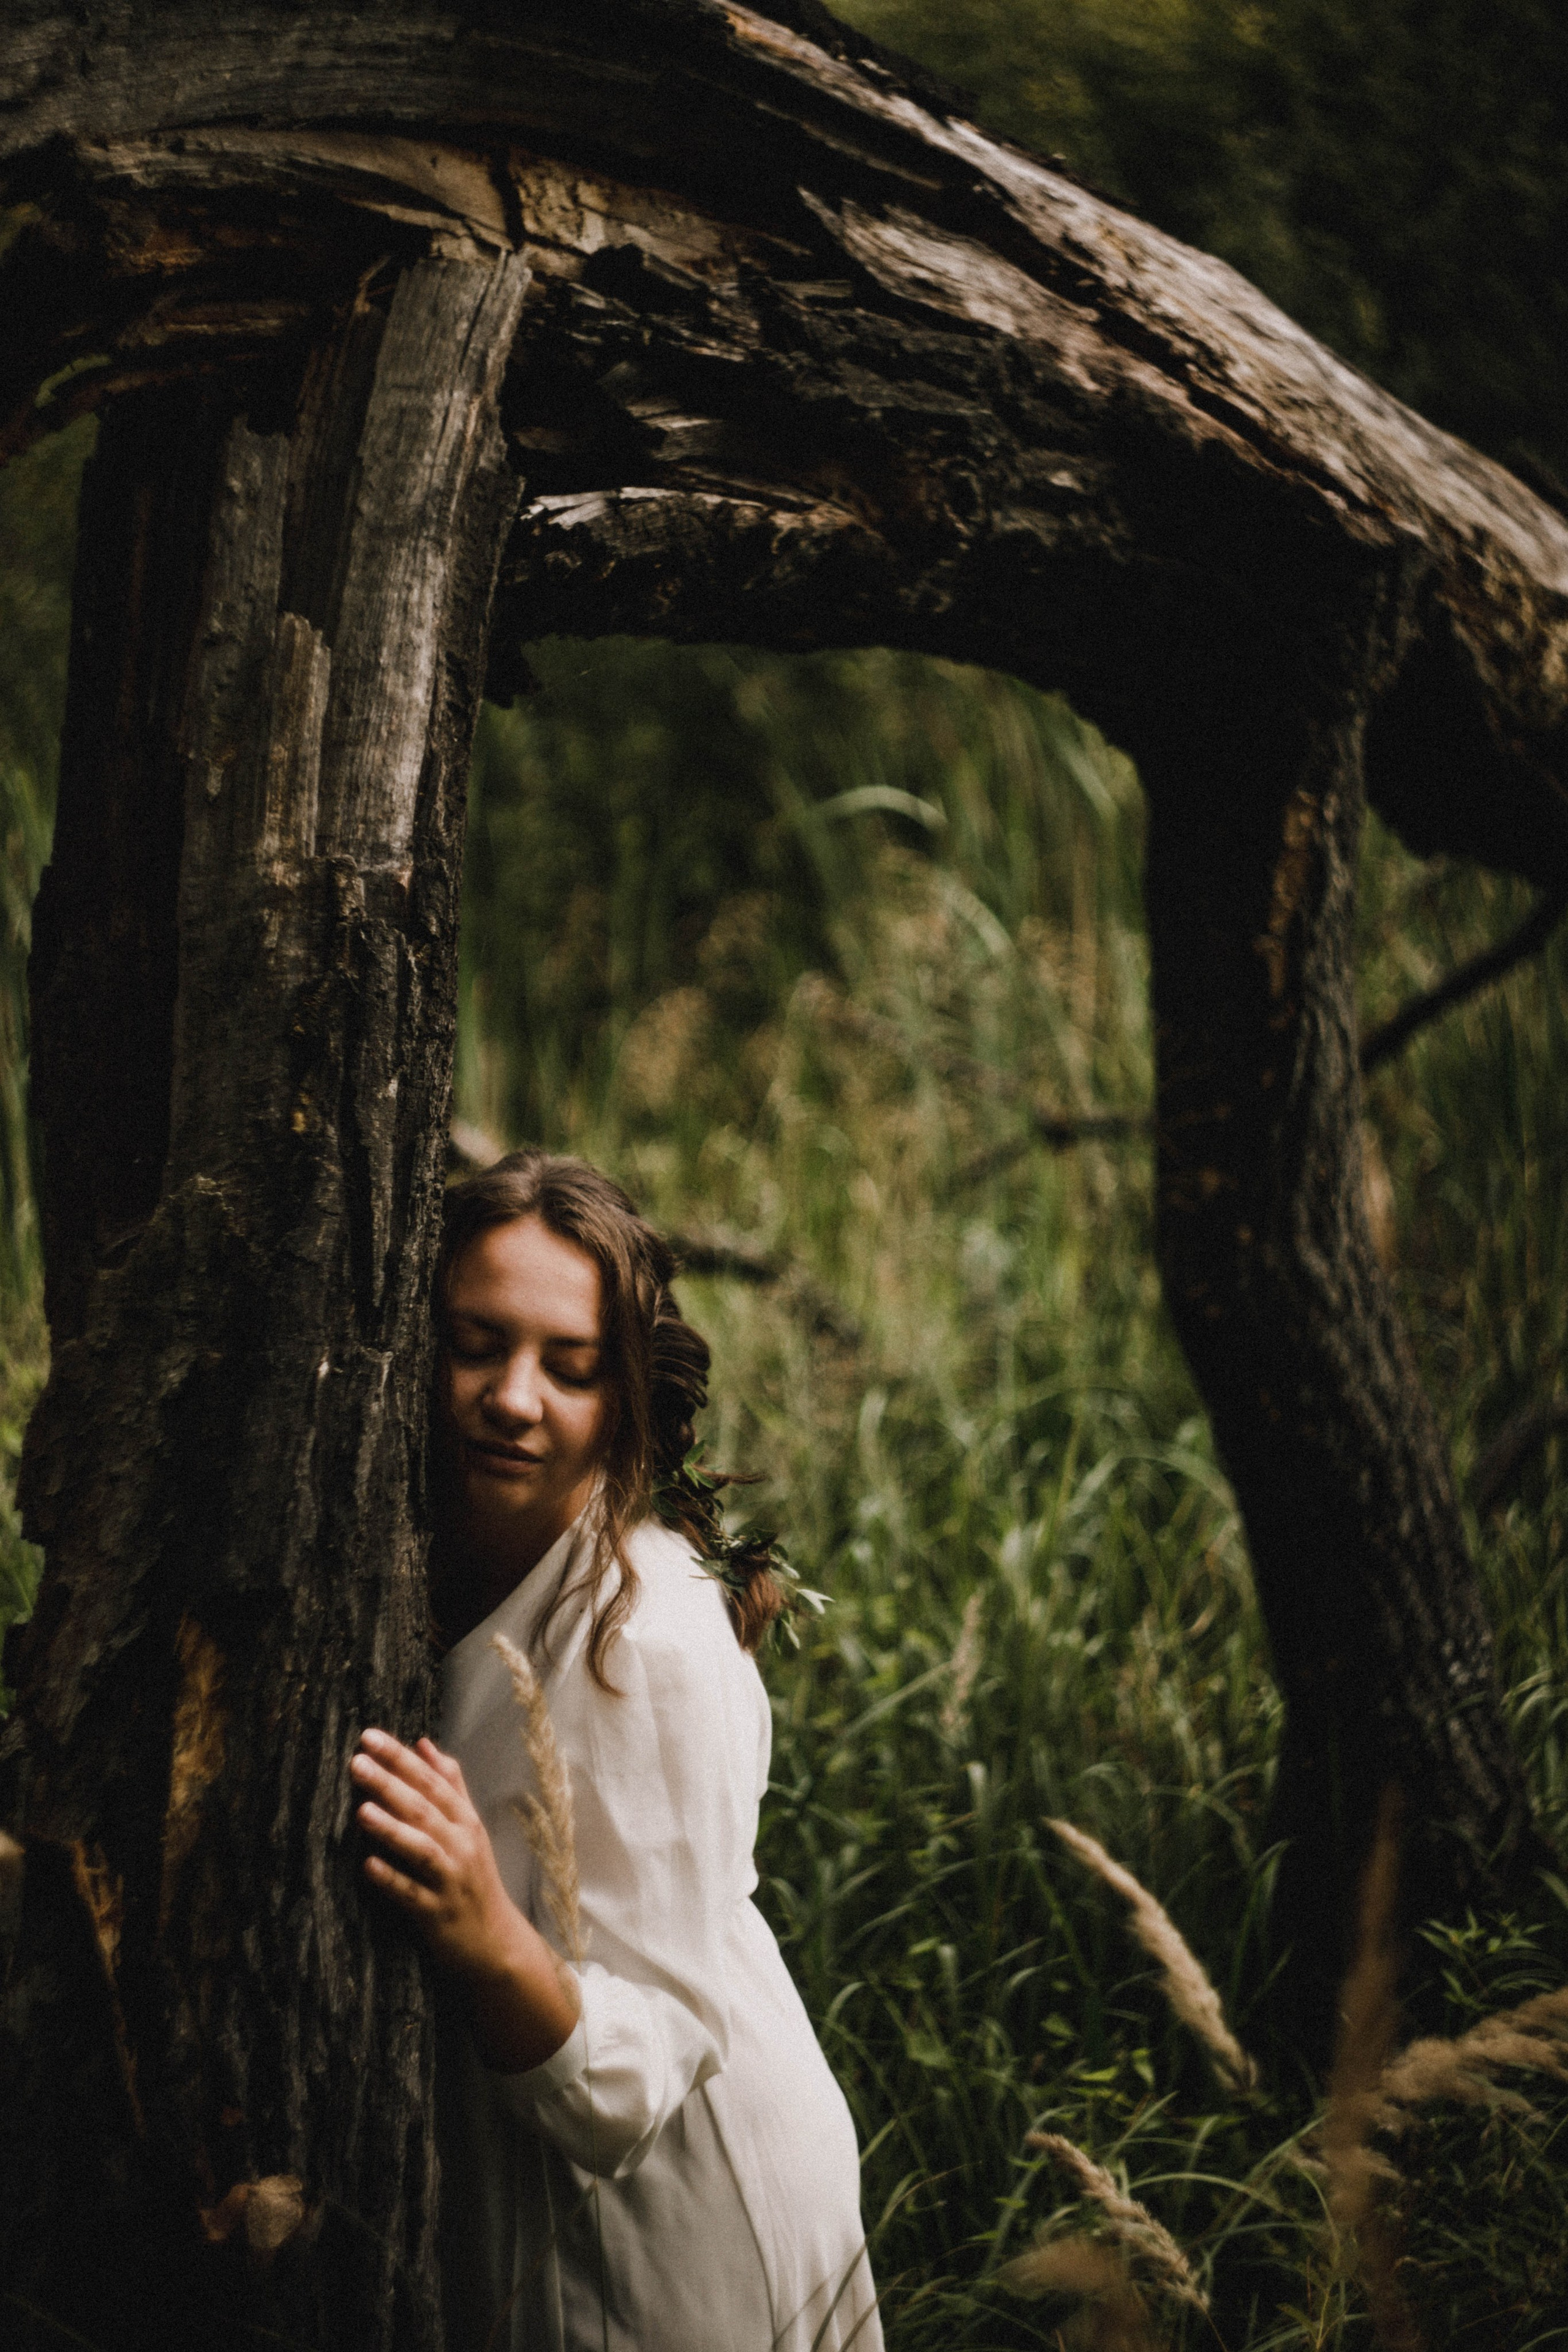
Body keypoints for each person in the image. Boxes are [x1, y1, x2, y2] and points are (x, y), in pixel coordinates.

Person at [350, 1150, 883, 2352]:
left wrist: (490, 1933)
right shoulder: (428, 1555)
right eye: (476, 1344)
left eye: (570, 1366)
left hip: (675, 2232)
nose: (513, 1397)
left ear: (624, 1398)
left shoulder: (641, 1638)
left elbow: (640, 2079)